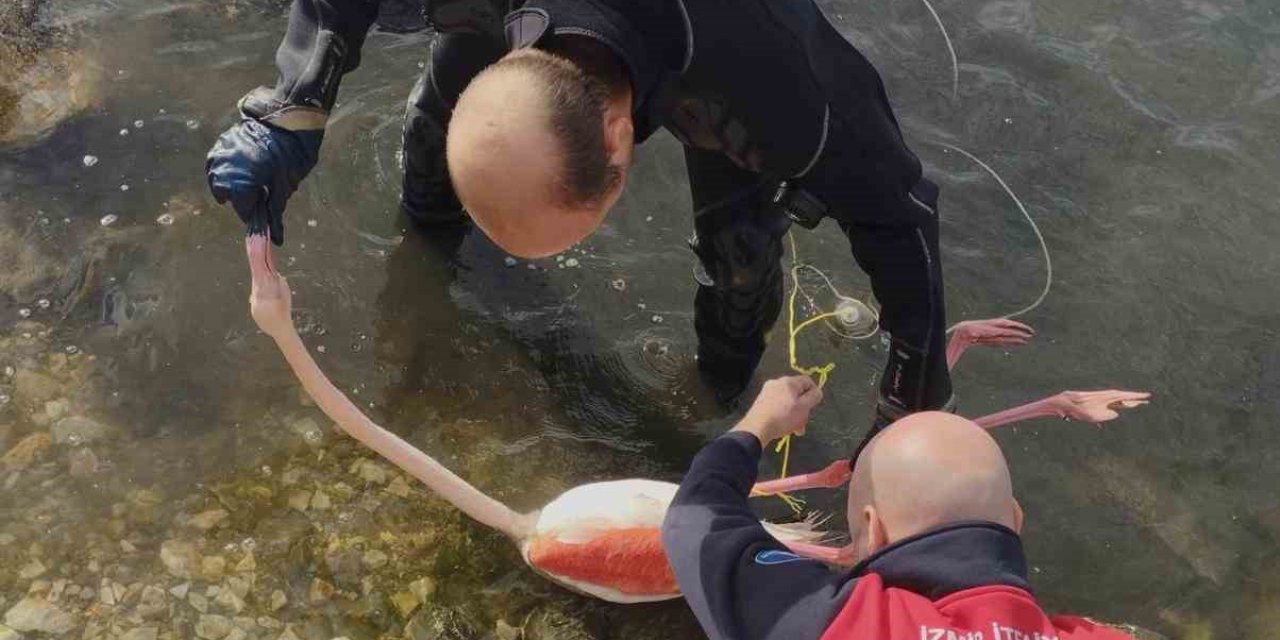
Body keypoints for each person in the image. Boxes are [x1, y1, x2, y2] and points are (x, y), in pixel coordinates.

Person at [206, 0, 952, 430]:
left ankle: (713, 395)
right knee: (439, 117)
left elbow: (905, 215)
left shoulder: (778, 84)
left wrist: (909, 402)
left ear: (621, 144)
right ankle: (429, 233)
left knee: (739, 249)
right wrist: (293, 104)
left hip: (708, 32)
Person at [661, 377, 1137, 640]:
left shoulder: (847, 625)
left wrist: (758, 425)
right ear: (1015, 520)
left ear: (874, 529)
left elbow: (693, 519)